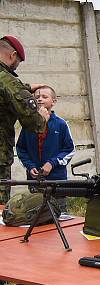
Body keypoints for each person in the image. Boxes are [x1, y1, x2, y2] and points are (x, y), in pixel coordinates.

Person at [0, 35, 48, 203]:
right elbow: (33, 122)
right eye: (18, 61)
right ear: (13, 55)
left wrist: (24, 88)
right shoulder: (6, 78)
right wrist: (42, 117)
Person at [15, 85, 75, 213]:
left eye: (44, 97)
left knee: (60, 214)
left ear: (54, 101)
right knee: (36, 216)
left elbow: (69, 149)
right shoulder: (28, 126)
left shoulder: (61, 124)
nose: (40, 99)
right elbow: (21, 149)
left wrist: (51, 163)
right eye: (36, 97)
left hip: (57, 182)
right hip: (35, 182)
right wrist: (30, 167)